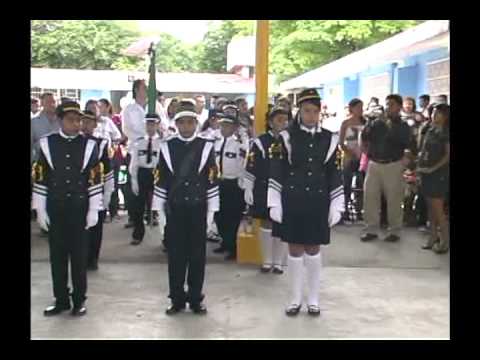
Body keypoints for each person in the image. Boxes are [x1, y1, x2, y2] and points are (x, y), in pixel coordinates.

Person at [268, 88, 344, 316]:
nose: (311, 115)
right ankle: (294, 298)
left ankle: (313, 299)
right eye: (306, 111)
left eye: (314, 111)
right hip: (293, 199)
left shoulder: (329, 139)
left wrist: (336, 202)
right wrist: (274, 201)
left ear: (320, 113)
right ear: (299, 112)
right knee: (294, 249)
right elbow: (277, 171)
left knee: (313, 248)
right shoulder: (286, 138)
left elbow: (335, 173)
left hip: (318, 200)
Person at [31, 101, 103, 317]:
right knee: (58, 257)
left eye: (79, 119)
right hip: (57, 206)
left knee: (79, 258)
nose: (76, 123)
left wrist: (94, 209)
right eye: (71, 119)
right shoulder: (46, 144)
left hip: (79, 208)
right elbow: (41, 179)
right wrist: (40, 209)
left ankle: (79, 300)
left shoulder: (90, 145)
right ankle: (61, 299)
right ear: (61, 120)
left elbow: (95, 179)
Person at [151, 100, 219, 315]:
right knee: (176, 257)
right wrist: (160, 215)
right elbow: (160, 182)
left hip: (198, 208)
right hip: (176, 209)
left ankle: (196, 298)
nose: (187, 126)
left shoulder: (207, 146)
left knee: (198, 257)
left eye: (191, 122)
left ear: (196, 123)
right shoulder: (166, 147)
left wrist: (211, 214)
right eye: (183, 122)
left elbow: (212, 180)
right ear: (176, 124)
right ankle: (177, 298)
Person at [360, 94, 413, 243]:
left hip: (393, 165)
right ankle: (371, 229)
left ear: (399, 107)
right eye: (387, 104)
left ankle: (394, 231)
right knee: (370, 197)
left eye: (392, 104)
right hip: (374, 164)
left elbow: (406, 142)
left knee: (394, 199)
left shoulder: (403, 125)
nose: (388, 107)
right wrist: (372, 123)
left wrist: (405, 162)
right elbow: (365, 136)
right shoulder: (377, 123)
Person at [244, 106, 289, 273]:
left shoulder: (293, 142)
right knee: (266, 221)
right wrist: (248, 186)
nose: (283, 123)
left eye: (286, 120)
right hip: (264, 187)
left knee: (282, 222)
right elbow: (251, 165)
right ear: (270, 122)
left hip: (286, 188)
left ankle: (278, 262)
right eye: (279, 120)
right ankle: (267, 260)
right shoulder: (260, 142)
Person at [212, 113, 249, 261]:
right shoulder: (216, 142)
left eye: (227, 125)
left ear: (234, 128)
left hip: (233, 184)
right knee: (219, 215)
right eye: (222, 125)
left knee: (232, 217)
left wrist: (242, 182)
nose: (224, 128)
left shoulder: (239, 144)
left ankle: (233, 247)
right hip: (218, 182)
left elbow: (243, 163)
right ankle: (225, 242)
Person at [81, 110, 114, 270]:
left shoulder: (101, 143)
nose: (85, 125)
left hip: (97, 190)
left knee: (96, 226)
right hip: (78, 191)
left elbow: (107, 171)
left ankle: (93, 258)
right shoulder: (74, 142)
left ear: (95, 125)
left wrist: (107, 194)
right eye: (83, 121)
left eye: (89, 121)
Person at [417, 104, 450, 254]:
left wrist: (433, 168)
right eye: (434, 113)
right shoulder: (429, 129)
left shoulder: (446, 133)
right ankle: (432, 237)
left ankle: (445, 241)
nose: (434, 115)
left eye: (438, 113)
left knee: (438, 209)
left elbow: (447, 155)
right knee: (430, 208)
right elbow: (422, 149)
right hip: (425, 171)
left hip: (439, 174)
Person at [128, 113, 163, 245]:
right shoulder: (138, 142)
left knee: (161, 207)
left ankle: (165, 237)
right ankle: (138, 234)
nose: (150, 127)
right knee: (137, 205)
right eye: (148, 124)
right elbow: (134, 163)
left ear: (158, 125)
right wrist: (134, 180)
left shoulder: (163, 142)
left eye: (153, 124)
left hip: (157, 173)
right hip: (142, 173)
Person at [121, 80, 147, 229]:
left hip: (153, 151)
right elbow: (127, 130)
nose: (147, 90)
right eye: (144, 88)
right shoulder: (129, 109)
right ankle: (136, 223)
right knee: (135, 189)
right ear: (136, 90)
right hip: (135, 150)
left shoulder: (155, 107)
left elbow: (163, 125)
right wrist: (142, 139)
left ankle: (153, 216)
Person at [338, 98, 366, 223]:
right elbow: (341, 142)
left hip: (362, 157)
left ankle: (359, 210)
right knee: (346, 184)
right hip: (349, 156)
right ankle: (345, 211)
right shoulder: (346, 123)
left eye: (361, 107)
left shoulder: (365, 123)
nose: (360, 110)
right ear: (352, 109)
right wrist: (349, 152)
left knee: (361, 184)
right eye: (358, 107)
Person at [31, 92, 60, 162]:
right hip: (40, 161)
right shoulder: (33, 121)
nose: (51, 104)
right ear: (42, 103)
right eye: (48, 102)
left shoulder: (63, 120)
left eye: (54, 101)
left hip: (60, 162)